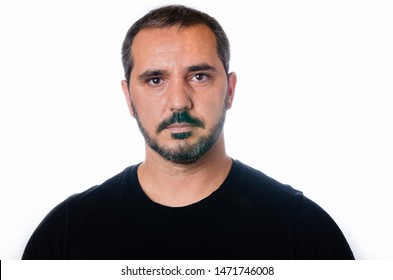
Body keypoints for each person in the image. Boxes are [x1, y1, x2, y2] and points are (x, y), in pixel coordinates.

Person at [22, 4, 354, 260]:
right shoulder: (63, 237)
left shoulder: (305, 233)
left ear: (230, 90)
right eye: (156, 80)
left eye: (199, 76)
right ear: (128, 98)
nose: (179, 101)